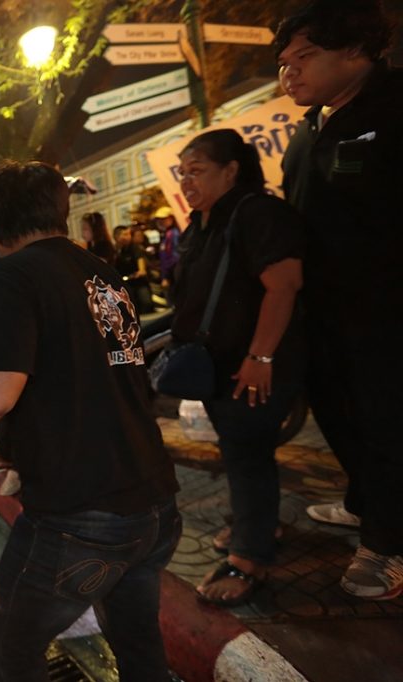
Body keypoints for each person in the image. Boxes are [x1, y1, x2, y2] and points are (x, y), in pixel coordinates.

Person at [0, 162, 180, 681]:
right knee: (139, 643)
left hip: (81, 515)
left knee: (9, 644)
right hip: (154, 504)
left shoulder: (10, 278)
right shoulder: (101, 272)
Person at [277, 0, 403, 600]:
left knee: (385, 424)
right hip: (320, 313)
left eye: (304, 56)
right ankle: (364, 503)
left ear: (356, 49)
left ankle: (387, 545)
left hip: (384, 316)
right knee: (339, 413)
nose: (289, 72)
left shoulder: (395, 107)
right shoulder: (308, 130)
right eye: (283, 61)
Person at [171, 129, 306, 606]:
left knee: (248, 453)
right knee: (239, 450)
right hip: (221, 365)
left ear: (232, 170)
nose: (187, 181)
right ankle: (259, 523)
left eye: (198, 171)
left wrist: (260, 357)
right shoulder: (204, 222)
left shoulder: (256, 213)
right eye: (183, 172)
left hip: (255, 363)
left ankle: (250, 559)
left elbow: (284, 285)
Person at [113, 225, 154, 314]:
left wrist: (141, 270)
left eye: (129, 234)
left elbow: (140, 259)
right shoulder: (114, 251)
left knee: (146, 302)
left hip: (138, 282)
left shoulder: (134, 248)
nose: (128, 237)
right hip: (124, 285)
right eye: (125, 234)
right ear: (116, 237)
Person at [155, 207, 181, 296]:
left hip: (174, 276)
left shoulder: (173, 234)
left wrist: (167, 277)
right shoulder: (167, 234)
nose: (160, 222)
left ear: (171, 218)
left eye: (163, 219)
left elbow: (174, 257)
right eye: (159, 219)